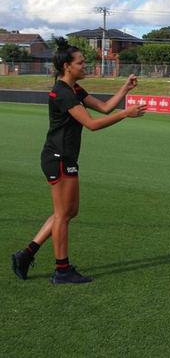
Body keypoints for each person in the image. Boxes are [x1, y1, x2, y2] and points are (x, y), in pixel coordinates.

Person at [11, 37, 146, 284]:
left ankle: (26, 254)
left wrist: (125, 89)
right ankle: (62, 270)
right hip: (58, 157)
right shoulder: (63, 93)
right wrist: (126, 114)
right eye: (81, 63)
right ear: (67, 67)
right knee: (63, 214)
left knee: (69, 211)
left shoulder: (74, 89)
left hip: (65, 157)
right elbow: (92, 124)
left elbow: (104, 108)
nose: (85, 66)